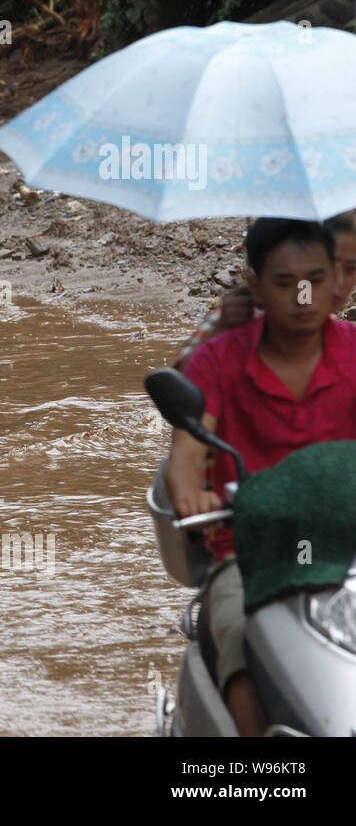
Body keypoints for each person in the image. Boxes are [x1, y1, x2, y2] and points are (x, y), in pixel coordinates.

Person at [165, 218, 356, 736]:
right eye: (284, 282)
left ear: (335, 279)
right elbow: (185, 457)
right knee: (239, 638)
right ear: (254, 287)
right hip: (246, 551)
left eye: (315, 279)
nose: (303, 296)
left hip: (346, 548)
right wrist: (190, 495)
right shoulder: (217, 360)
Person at [173, 210, 356, 370]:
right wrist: (220, 329)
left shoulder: (343, 338)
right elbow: (179, 387)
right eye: (330, 266)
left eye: (351, 269)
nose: (339, 283)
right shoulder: (241, 316)